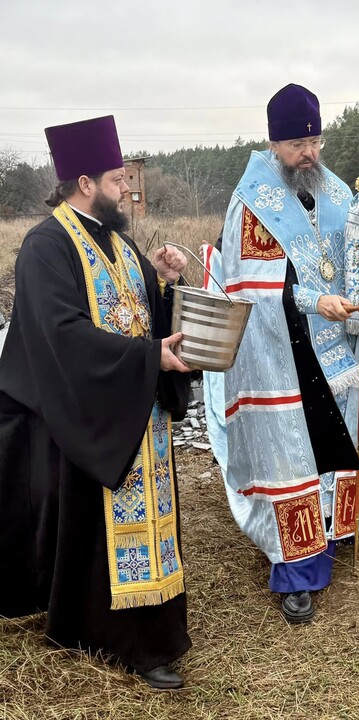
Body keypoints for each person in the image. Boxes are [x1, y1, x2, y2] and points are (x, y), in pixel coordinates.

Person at [0, 116, 192, 689]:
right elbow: (61, 337)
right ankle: (118, 637)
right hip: (87, 416)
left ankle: (155, 626)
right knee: (97, 531)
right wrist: (146, 360)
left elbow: (138, 312)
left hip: (136, 407)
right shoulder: (46, 246)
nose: (127, 188)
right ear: (84, 182)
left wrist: (161, 282)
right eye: (117, 179)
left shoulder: (119, 241)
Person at [202, 84, 359, 624]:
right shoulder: (253, 203)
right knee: (290, 458)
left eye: (315, 142)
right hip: (282, 351)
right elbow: (250, 289)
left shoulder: (338, 194)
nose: (309, 153)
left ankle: (331, 532)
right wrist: (312, 300)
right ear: (274, 143)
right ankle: (296, 570)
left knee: (333, 447)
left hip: (338, 351)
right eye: (297, 144)